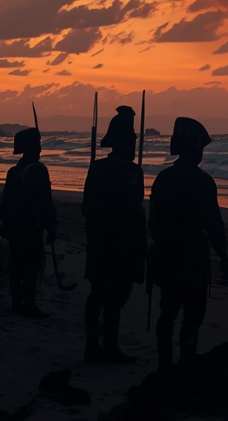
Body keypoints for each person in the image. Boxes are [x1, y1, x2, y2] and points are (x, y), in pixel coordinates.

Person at [147, 117, 228, 371]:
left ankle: (164, 364)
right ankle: (186, 362)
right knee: (193, 314)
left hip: (167, 253)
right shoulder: (203, 181)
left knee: (167, 311)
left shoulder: (163, 178)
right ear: (195, 149)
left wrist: (163, 244)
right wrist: (223, 255)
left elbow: (153, 221)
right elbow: (213, 224)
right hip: (193, 255)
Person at [81, 106, 147, 363]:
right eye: (131, 143)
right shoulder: (132, 172)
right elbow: (134, 210)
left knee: (98, 291)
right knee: (117, 294)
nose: (133, 148)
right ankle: (109, 346)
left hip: (98, 239)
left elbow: (86, 207)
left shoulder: (96, 169)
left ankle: (92, 345)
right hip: (121, 241)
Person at [0, 127, 56, 318]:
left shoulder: (14, 171)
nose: (40, 149)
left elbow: (5, 200)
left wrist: (4, 222)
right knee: (32, 264)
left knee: (16, 264)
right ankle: (29, 305)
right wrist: (51, 226)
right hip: (30, 221)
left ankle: (17, 303)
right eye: (37, 144)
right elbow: (45, 201)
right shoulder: (39, 170)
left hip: (13, 220)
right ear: (31, 147)